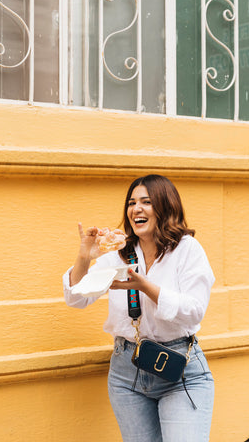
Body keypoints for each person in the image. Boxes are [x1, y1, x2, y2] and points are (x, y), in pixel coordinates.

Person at [63, 174, 215, 442]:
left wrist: (146, 286)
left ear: (165, 207)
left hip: (180, 371)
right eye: (132, 203)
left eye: (146, 201)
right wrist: (84, 257)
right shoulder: (119, 253)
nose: (136, 209)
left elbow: (194, 310)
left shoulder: (187, 250)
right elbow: (78, 298)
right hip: (126, 374)